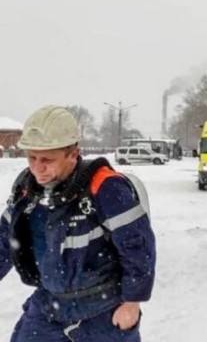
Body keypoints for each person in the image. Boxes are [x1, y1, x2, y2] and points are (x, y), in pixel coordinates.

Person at [0, 105, 156, 342]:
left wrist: (132, 302)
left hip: (103, 309)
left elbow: (138, 247)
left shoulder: (106, 187)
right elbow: (4, 240)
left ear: (73, 154)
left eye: (47, 159)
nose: (37, 168)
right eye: (31, 157)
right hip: (48, 306)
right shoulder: (26, 189)